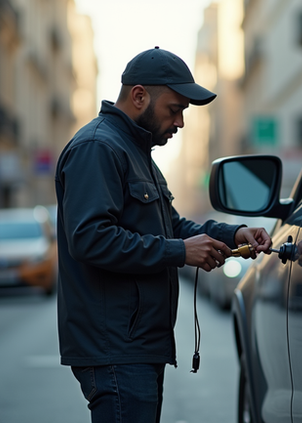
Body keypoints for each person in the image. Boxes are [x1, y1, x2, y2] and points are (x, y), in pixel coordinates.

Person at [54, 46, 272, 423]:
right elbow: (90, 237)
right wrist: (177, 252)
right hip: (116, 348)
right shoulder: (98, 147)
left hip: (137, 345)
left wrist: (234, 232)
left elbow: (174, 227)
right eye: (175, 109)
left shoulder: (136, 152)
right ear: (139, 96)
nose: (181, 122)